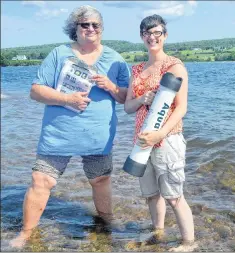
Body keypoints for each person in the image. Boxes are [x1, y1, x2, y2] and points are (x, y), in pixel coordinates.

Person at [10, 5, 130, 248]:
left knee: (101, 180)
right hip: (58, 135)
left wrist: (110, 85)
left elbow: (126, 97)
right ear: (74, 29)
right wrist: (67, 99)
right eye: (84, 24)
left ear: (102, 29)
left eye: (95, 25)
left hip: (98, 135)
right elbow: (35, 90)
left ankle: (106, 223)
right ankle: (25, 233)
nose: (90, 28)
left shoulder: (115, 58)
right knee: (41, 179)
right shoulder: (58, 54)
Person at [124, 14, 196, 251]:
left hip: (167, 140)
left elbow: (181, 108)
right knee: (152, 195)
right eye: (147, 33)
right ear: (141, 37)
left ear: (165, 35)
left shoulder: (174, 66)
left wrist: (160, 134)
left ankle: (188, 243)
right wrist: (142, 98)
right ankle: (158, 233)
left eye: (157, 33)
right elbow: (127, 107)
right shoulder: (135, 70)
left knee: (174, 196)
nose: (152, 37)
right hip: (142, 142)